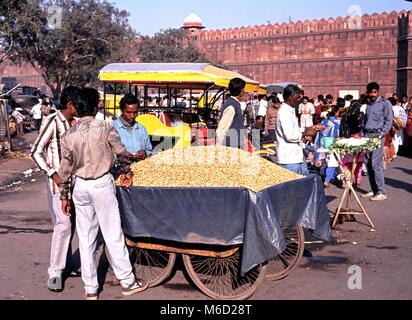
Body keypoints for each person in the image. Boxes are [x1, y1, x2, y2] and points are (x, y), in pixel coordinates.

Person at [58, 88, 147, 300]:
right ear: (95, 106)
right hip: (101, 184)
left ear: (78, 108)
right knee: (112, 233)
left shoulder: (68, 135)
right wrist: (126, 172)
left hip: (80, 187)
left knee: (86, 239)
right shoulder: (105, 127)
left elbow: (65, 170)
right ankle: (128, 281)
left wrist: (64, 196)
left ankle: (90, 289)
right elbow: (121, 153)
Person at [30, 86, 82, 292]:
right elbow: (35, 151)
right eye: (77, 105)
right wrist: (53, 174)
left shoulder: (76, 124)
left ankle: (67, 264)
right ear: (70, 105)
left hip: (76, 183)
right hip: (58, 184)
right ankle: (55, 272)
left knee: (73, 224)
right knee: (63, 225)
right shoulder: (52, 122)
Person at [361, 82, 393, 201]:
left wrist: (381, 134)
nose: (372, 94)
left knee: (376, 164)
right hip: (368, 135)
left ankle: (381, 192)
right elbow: (365, 121)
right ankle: (374, 189)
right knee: (368, 164)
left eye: (374, 92)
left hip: (377, 135)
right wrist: (362, 134)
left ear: (378, 91)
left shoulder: (385, 103)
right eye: (370, 92)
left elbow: (389, 121)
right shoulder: (368, 104)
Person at [275, 85, 308, 175]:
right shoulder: (284, 113)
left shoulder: (291, 110)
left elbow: (294, 130)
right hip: (289, 159)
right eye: (297, 96)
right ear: (290, 97)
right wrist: (305, 133)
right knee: (292, 188)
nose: (300, 99)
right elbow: (290, 136)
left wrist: (308, 130)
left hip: (296, 156)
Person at [113, 93, 153, 161]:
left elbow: (149, 150)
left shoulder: (142, 129)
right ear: (122, 111)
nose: (132, 116)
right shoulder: (112, 128)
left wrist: (145, 153)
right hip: (120, 170)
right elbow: (105, 154)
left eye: (135, 112)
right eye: (128, 112)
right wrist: (120, 156)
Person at [216, 78, 246, 149]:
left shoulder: (234, 104)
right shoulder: (231, 106)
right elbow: (222, 127)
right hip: (232, 146)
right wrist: (219, 146)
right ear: (242, 91)